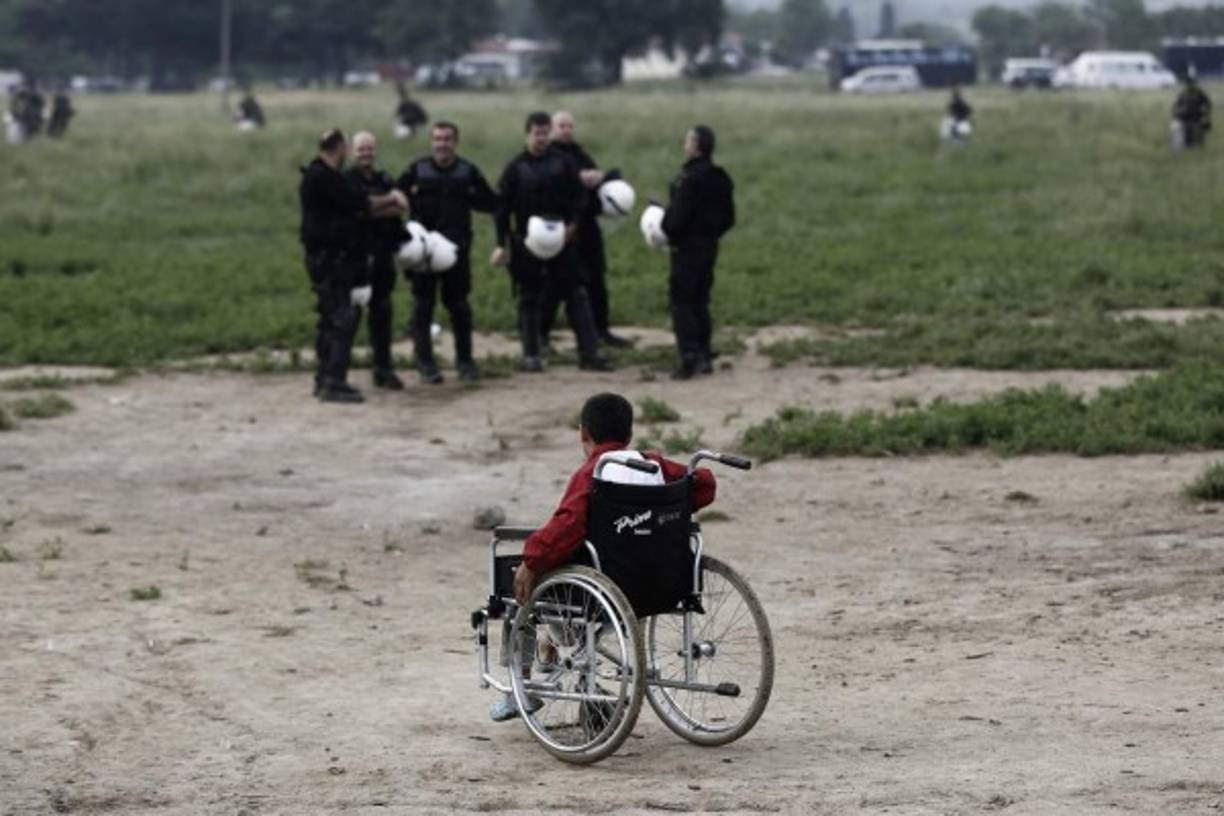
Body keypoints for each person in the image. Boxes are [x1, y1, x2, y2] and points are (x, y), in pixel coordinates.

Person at [490, 392, 718, 722]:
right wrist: (664, 505)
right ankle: (556, 653)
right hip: (662, 582)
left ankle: (518, 689)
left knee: (516, 591)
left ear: (584, 434)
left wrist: (531, 561)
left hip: (602, 588)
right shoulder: (652, 464)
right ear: (629, 435)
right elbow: (703, 486)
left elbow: (566, 526)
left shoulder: (591, 473)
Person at [492, 111, 611, 373]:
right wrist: (502, 244)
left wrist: (573, 226)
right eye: (537, 134)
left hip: (562, 240)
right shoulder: (515, 168)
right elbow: (501, 209)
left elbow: (580, 198)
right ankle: (531, 354)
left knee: (576, 295)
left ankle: (589, 353)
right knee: (528, 298)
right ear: (527, 134)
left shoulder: (563, 163)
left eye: (545, 133)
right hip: (527, 243)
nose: (542, 139)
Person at [299, 128, 406, 403]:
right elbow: (362, 204)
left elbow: (360, 209)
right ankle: (333, 381)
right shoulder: (326, 177)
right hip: (330, 259)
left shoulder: (320, 174)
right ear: (342, 148)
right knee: (341, 318)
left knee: (330, 318)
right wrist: (393, 199)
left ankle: (324, 378)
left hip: (329, 257)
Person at [397, 121, 499, 383]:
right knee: (423, 308)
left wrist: (471, 196)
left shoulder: (468, 171)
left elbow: (490, 202)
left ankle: (465, 362)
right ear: (432, 142)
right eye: (438, 139)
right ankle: (425, 364)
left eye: (447, 139)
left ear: (456, 142)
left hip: (457, 252)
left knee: (460, 308)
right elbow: (395, 198)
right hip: (422, 254)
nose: (442, 144)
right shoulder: (417, 170)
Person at [544, 111, 632, 351]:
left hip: (588, 227)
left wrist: (602, 176)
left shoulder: (579, 153)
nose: (566, 130)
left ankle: (602, 329)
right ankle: (541, 335)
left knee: (597, 280)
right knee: (556, 285)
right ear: (552, 129)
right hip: (563, 229)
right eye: (561, 126)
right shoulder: (549, 156)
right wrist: (578, 178)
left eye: (570, 125)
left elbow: (597, 178)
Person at [661, 125, 735, 380]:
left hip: (686, 248)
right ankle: (704, 354)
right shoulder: (720, 177)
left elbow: (677, 218)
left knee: (682, 302)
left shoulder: (689, 179)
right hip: (709, 246)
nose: (684, 145)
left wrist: (666, 228)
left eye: (687, 141)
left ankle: (688, 356)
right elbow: (729, 217)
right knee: (701, 300)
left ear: (696, 145)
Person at [346, 131, 408, 390]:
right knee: (351, 313)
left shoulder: (384, 177)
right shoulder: (346, 180)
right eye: (361, 149)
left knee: (382, 311)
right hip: (357, 256)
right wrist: (382, 204)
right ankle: (335, 371)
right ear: (351, 151)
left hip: (383, 253)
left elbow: (401, 207)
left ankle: (383, 369)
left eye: (370, 149)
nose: (366, 153)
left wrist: (374, 207)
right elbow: (358, 210)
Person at [1172, 76, 1212, 149]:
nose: (1189, 85)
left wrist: (1206, 116)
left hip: (1196, 117)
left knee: (1199, 135)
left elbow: (1208, 103)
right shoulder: (1183, 94)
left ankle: (1199, 147)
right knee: (1188, 135)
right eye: (1188, 83)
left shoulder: (1199, 93)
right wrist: (1176, 115)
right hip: (1185, 117)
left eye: (1191, 83)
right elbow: (1176, 105)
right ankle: (1189, 147)